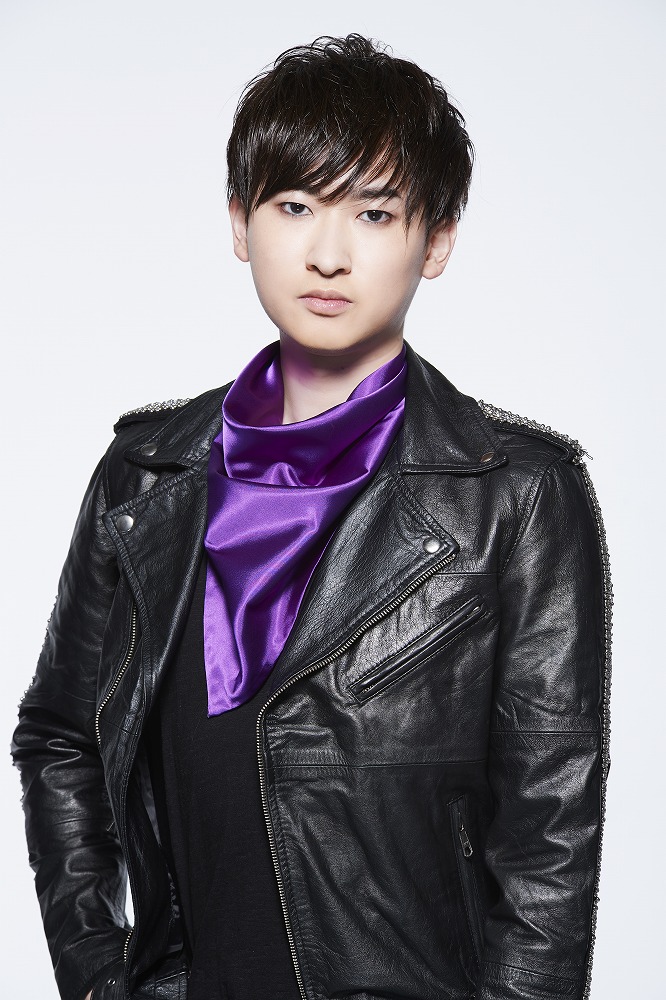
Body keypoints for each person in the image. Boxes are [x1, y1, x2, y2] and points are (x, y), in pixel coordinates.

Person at [11, 33, 611, 1000]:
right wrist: (94, 973)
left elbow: (549, 833)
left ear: (436, 240)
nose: (328, 255)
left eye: (373, 213)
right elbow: (61, 736)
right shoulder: (146, 474)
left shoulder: (517, 494)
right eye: (294, 206)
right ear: (240, 223)